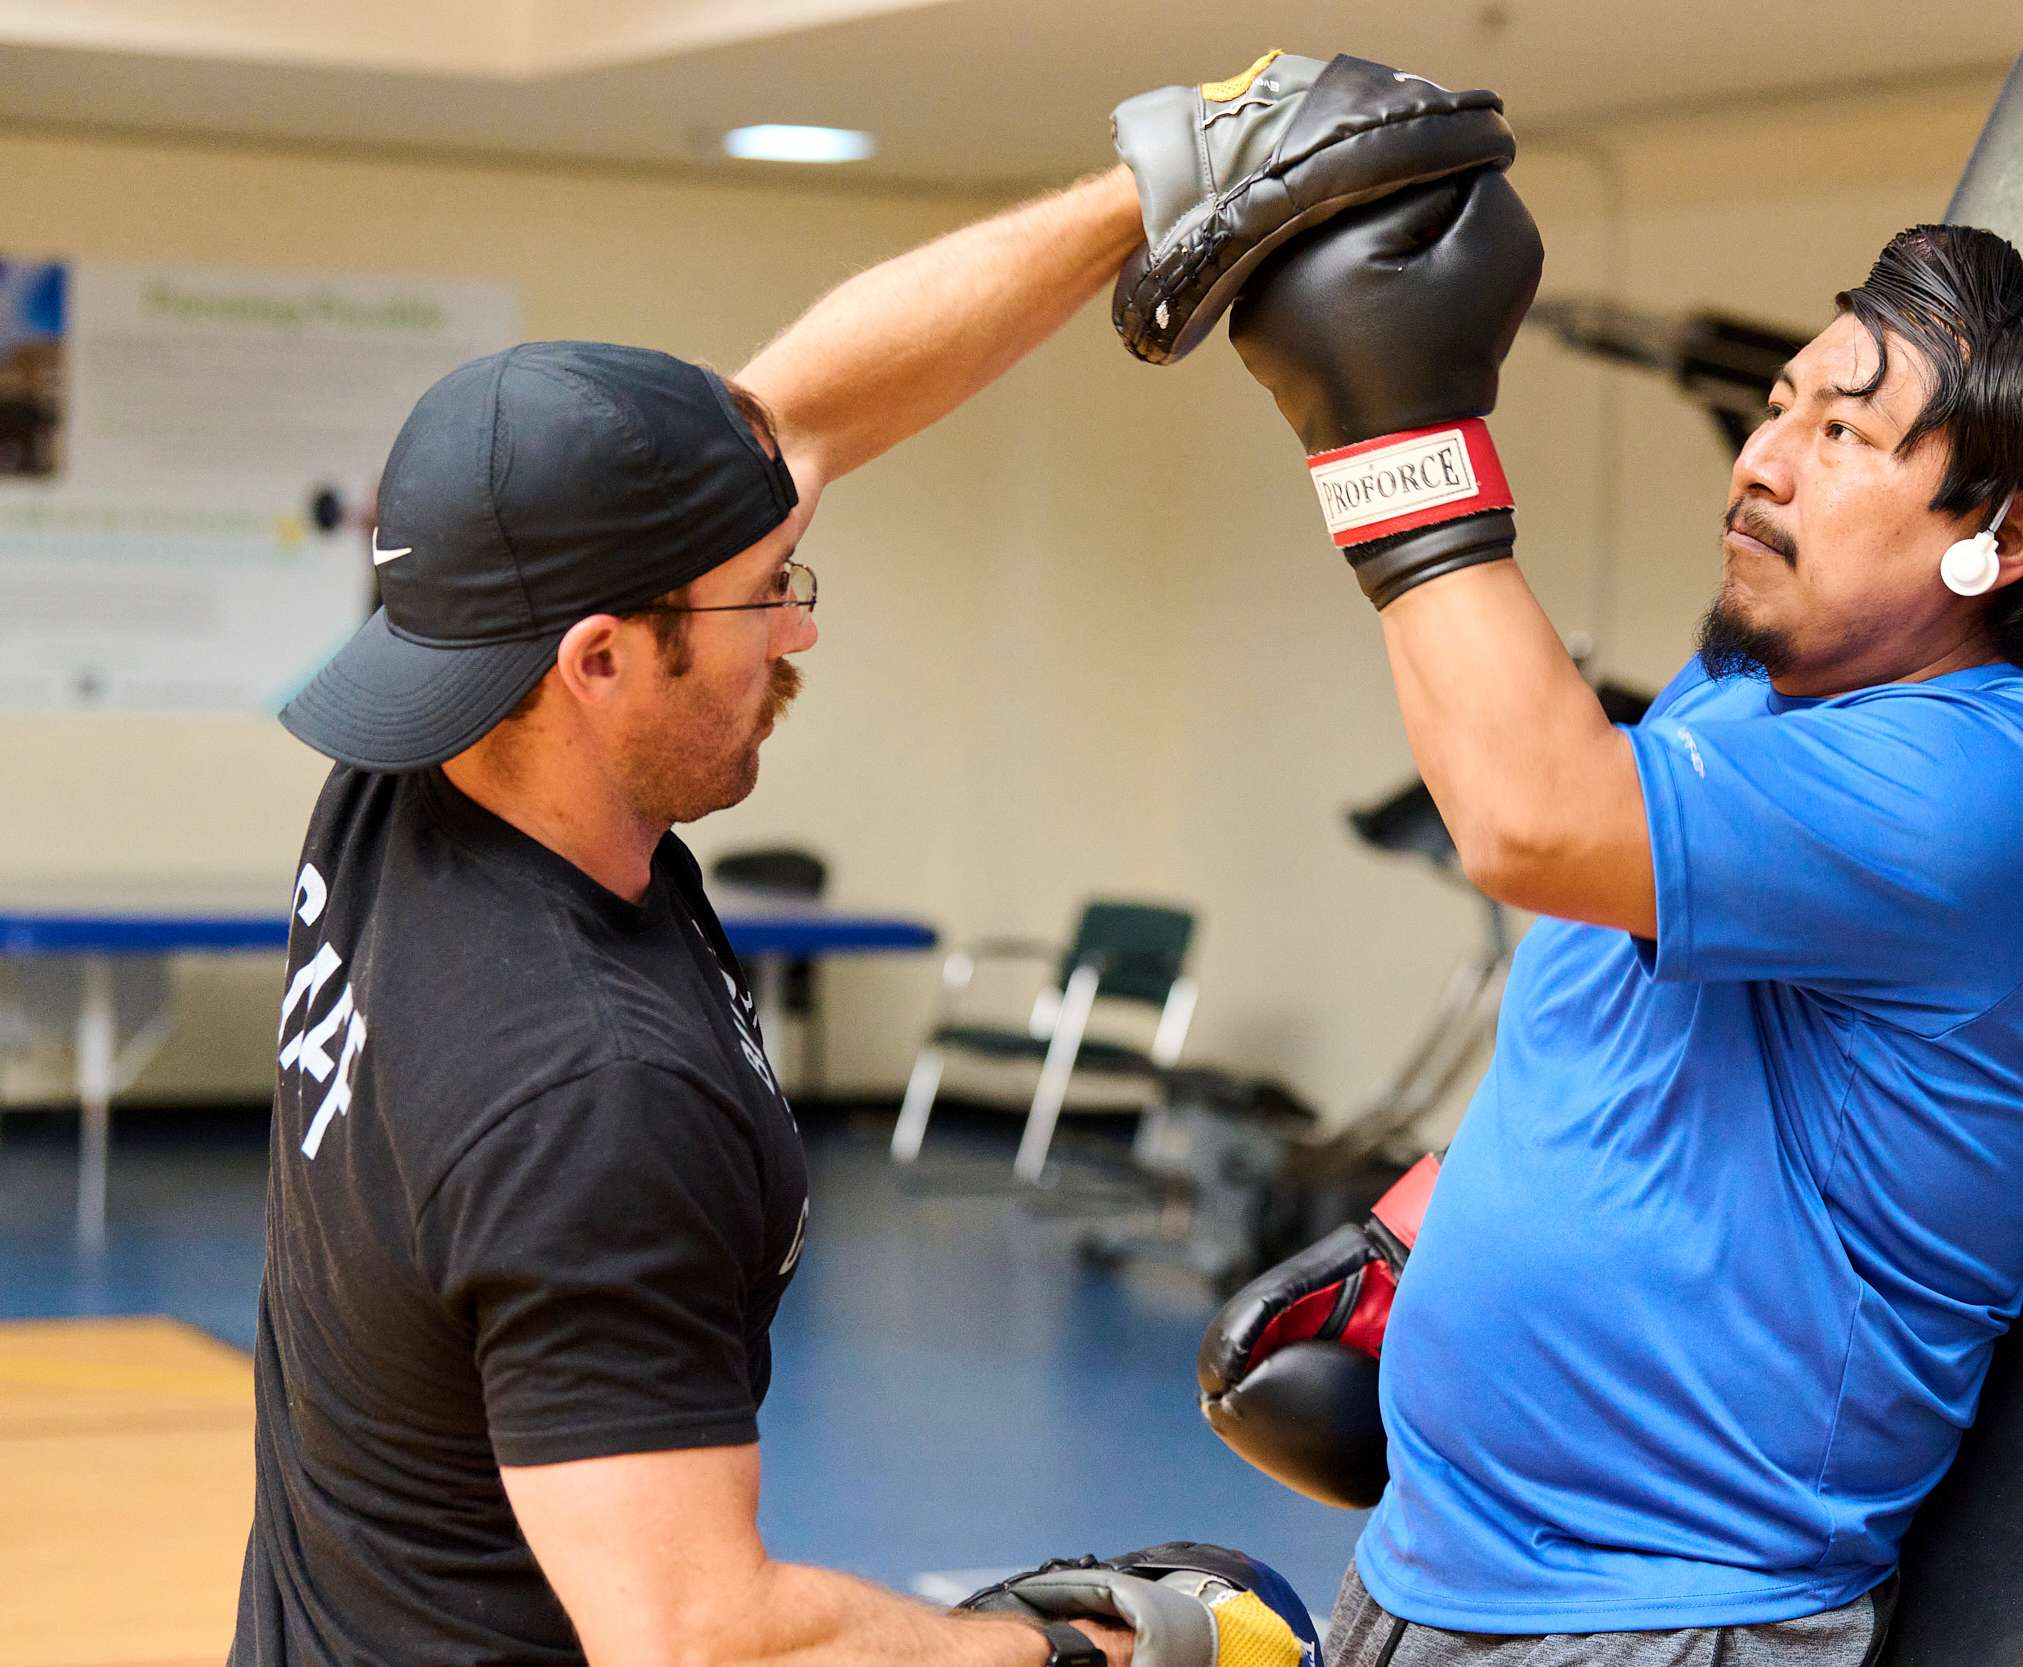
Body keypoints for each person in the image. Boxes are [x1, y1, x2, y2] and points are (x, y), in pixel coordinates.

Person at [233, 53, 1508, 1667]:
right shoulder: (589, 1095)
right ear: (598, 658)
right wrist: (1079, 1656)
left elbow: (804, 413)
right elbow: (699, 1637)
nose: (800, 627)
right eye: (769, 593)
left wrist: (1170, 176)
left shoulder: (416, 754)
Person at [1200, 176, 2023, 1667]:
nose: (1760, 462)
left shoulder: (2012, 785)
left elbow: (1527, 819)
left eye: (1841, 435)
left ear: (2002, 536)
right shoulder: (1743, 688)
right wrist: (1423, 1227)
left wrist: (1388, 432)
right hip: (1420, 1572)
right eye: (1779, 408)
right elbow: (1608, 1012)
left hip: (1662, 1622)